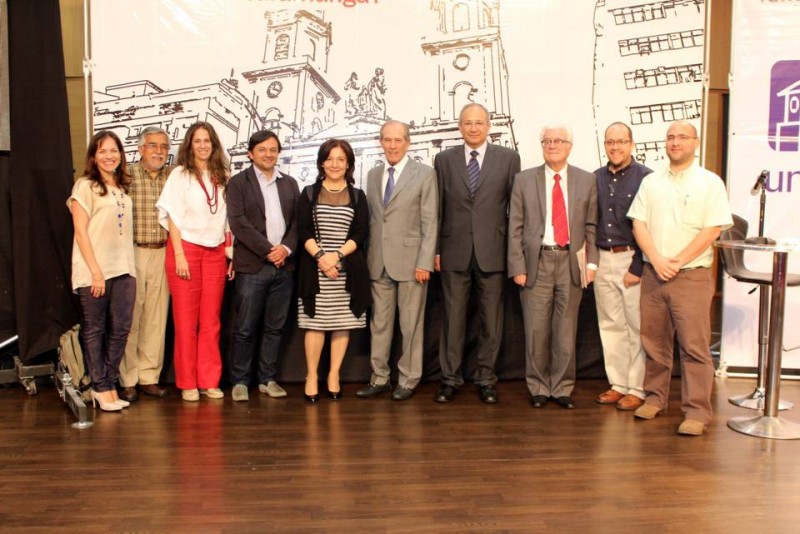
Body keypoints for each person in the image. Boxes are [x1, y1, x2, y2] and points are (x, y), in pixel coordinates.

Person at [628, 120, 732, 436]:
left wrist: (678, 261)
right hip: (654, 274)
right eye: (670, 137)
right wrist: (657, 261)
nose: (675, 142)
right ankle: (655, 399)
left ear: (695, 142)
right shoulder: (651, 182)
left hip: (691, 276)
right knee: (655, 344)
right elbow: (638, 225)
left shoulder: (710, 182)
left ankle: (697, 412)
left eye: (682, 137)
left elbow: (713, 229)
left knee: (694, 347)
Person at [433, 103, 520, 404]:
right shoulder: (443, 160)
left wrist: (514, 253)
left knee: (491, 321)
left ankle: (486, 379)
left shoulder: (509, 159)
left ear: (488, 126)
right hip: (453, 249)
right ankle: (449, 379)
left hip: (493, 251)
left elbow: (514, 209)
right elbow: (437, 207)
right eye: (467, 123)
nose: (473, 128)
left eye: (479, 122)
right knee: (453, 320)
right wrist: (435, 249)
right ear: (460, 126)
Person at [508, 123, 598, 409]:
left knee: (565, 330)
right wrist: (517, 266)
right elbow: (514, 227)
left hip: (572, 262)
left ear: (569, 146)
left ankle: (561, 388)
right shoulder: (524, 180)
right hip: (537, 262)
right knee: (536, 331)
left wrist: (592, 262)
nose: (552, 145)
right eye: (547, 141)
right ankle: (537, 386)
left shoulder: (586, 180)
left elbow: (591, 226)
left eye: (558, 141)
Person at [356, 120, 438, 401]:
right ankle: (379, 378)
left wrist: (425, 261)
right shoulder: (373, 174)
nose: (392, 145)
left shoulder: (425, 174)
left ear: (407, 142)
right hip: (378, 262)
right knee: (379, 324)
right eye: (387, 140)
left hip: (413, 263)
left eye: (397, 140)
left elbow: (430, 220)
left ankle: (408, 379)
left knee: (410, 325)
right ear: (381, 142)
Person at [156, 121, 230, 402]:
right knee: (186, 323)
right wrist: (178, 255)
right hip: (184, 250)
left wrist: (228, 253)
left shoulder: (222, 174)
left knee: (211, 322)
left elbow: (226, 219)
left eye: (207, 140)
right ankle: (187, 382)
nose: (202, 145)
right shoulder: (179, 175)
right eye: (197, 141)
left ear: (213, 144)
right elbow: (172, 217)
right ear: (189, 145)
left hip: (215, 251)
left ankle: (209, 380)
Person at [227, 130, 300, 402]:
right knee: (245, 328)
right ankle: (240, 381)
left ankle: (267, 379)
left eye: (273, 149)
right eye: (262, 150)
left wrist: (286, 249)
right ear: (250, 154)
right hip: (253, 266)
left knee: (275, 327)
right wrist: (269, 250)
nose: (269, 154)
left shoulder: (290, 183)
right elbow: (238, 222)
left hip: (284, 267)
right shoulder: (238, 183)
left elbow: (297, 223)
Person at [68, 130, 136, 411]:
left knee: (120, 330)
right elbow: (81, 232)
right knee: (95, 329)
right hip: (94, 271)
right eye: (103, 151)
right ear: (94, 157)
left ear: (121, 155)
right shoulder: (84, 186)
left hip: (125, 269)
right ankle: (100, 386)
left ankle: (109, 383)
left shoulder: (121, 188)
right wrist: (95, 272)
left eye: (114, 151)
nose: (109, 156)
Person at [296, 139, 369, 403]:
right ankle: (312, 375)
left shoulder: (358, 196)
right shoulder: (308, 193)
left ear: (348, 163)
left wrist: (336, 256)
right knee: (315, 324)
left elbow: (360, 233)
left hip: (345, 270)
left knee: (341, 324)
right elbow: (302, 230)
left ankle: (334, 375)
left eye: (341, 159)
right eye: (330, 159)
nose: (335, 164)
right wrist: (321, 258)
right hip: (315, 269)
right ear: (322, 162)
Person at [593, 122, 652, 411]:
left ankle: (637, 387)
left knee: (635, 327)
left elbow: (651, 228)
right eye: (610, 142)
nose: (615, 147)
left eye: (621, 141)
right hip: (603, 260)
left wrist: (638, 266)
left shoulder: (647, 179)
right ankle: (618, 384)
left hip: (631, 260)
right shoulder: (595, 178)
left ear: (631, 144)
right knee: (610, 325)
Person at [119, 127, 172, 402]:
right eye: (152, 145)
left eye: (163, 146)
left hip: (164, 252)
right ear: (140, 149)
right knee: (131, 318)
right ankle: (127, 379)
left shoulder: (174, 176)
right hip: (132, 253)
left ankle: (149, 377)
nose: (159, 151)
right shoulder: (125, 175)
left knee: (156, 318)